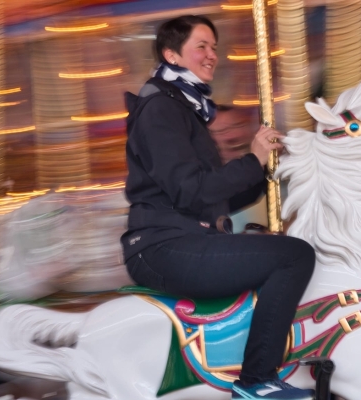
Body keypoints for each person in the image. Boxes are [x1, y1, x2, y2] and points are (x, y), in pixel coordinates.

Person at [121, 15, 316, 400]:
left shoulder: (183, 105)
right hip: (164, 246)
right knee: (294, 256)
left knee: (285, 251)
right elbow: (190, 190)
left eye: (214, 47)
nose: (212, 55)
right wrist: (252, 160)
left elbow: (216, 197)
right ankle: (257, 378)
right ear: (171, 54)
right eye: (201, 46)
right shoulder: (160, 107)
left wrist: (271, 173)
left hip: (181, 237)